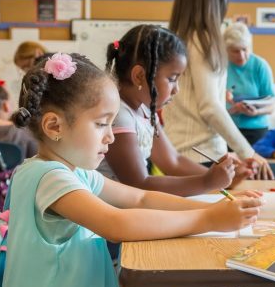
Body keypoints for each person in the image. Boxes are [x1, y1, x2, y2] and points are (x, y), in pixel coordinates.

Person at [0, 52, 262, 287]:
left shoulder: (75, 173)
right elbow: (118, 224)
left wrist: (215, 209)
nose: (111, 136)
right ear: (54, 126)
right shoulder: (47, 177)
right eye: (101, 123)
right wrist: (210, 220)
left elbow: (141, 197)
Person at [100, 24, 251, 196]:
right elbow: (140, 184)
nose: (176, 89)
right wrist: (207, 182)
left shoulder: (145, 111)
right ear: (139, 76)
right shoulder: (118, 115)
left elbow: (173, 161)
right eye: (172, 79)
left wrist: (221, 177)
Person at [162, 0, 273, 179]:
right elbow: (209, 107)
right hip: (201, 154)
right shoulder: (203, 40)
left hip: (181, 152)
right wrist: (248, 153)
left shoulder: (177, 38)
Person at [224, 22, 275, 145]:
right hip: (227, 128)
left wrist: (256, 112)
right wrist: (232, 109)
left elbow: (271, 106)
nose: (241, 56)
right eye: (235, 51)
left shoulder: (260, 65)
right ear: (225, 50)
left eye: (245, 50)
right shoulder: (220, 65)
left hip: (257, 130)